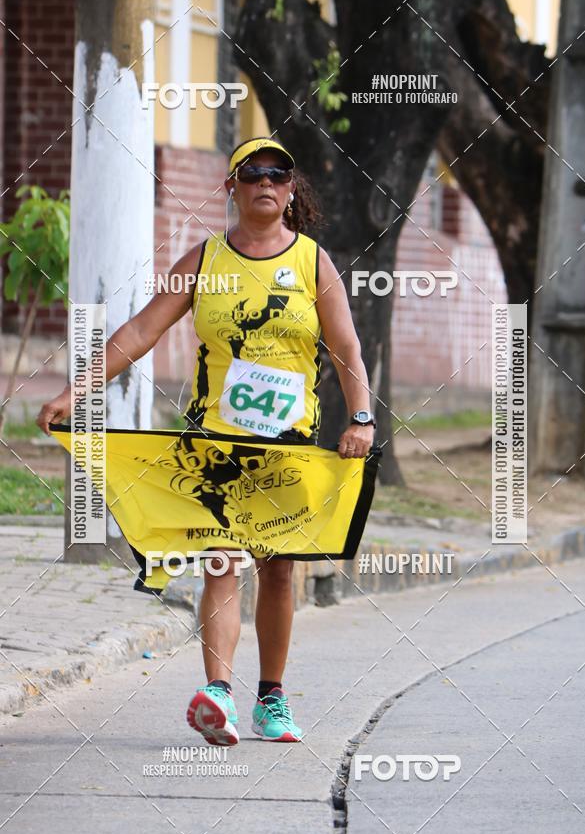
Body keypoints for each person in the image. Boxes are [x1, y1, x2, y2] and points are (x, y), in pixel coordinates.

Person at [37, 136, 376, 746]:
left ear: (291, 188)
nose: (266, 182)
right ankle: (217, 693)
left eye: (278, 173)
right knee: (223, 559)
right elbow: (141, 331)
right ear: (232, 188)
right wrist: (76, 391)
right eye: (252, 174)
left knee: (277, 569)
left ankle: (271, 699)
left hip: (287, 443)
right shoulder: (204, 261)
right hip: (215, 439)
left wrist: (361, 418)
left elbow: (346, 347)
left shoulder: (312, 262)